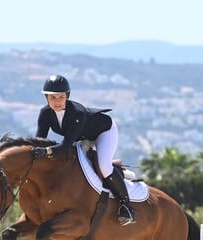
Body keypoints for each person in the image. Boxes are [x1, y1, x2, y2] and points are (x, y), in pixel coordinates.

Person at [33, 74, 136, 225]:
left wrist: (47, 152)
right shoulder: (45, 113)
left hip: (103, 131)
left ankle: (126, 206)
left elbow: (66, 145)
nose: (57, 101)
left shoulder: (77, 112)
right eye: (52, 97)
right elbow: (39, 141)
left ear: (67, 96)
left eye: (60, 97)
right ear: (47, 98)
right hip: (80, 137)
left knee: (104, 166)